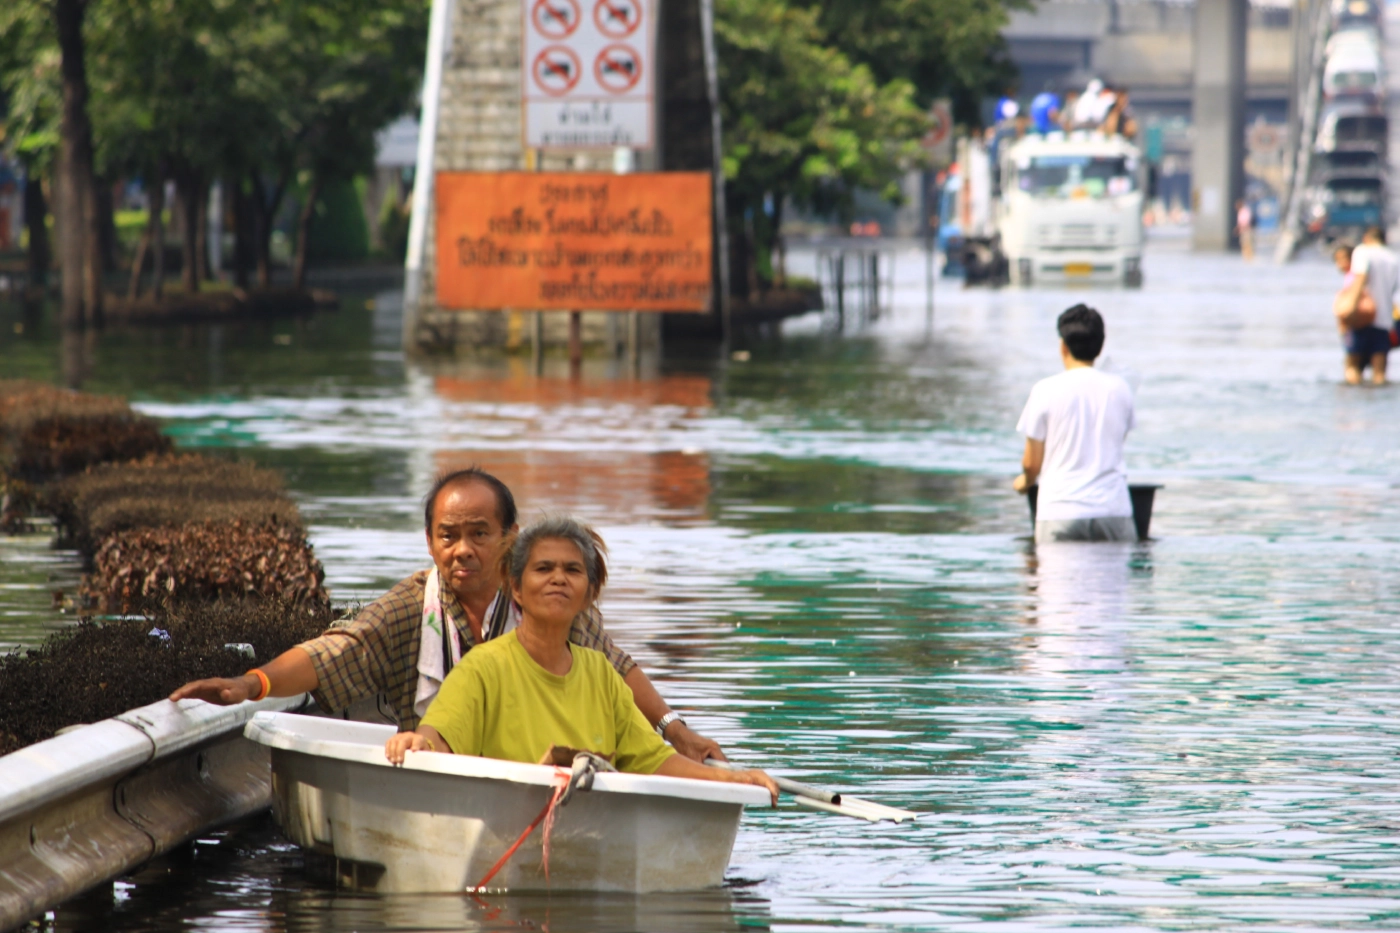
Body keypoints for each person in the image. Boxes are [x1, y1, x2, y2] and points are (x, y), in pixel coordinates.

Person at [171, 467, 725, 763]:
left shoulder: (551, 599)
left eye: (480, 534)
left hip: (534, 767)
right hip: (433, 764)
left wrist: (677, 730)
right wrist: (253, 683)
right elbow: (338, 650)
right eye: (448, 536)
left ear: (510, 539)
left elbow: (616, 669)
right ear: (431, 543)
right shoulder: (415, 606)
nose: (463, 550)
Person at [384, 516, 778, 804]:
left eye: (572, 570)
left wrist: (735, 779)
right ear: (517, 589)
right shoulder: (484, 667)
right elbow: (439, 738)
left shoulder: (601, 673)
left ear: (589, 594)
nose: (558, 578)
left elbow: (656, 762)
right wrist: (418, 741)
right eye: (543, 569)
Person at [1012, 304, 1137, 543]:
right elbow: (1114, 444)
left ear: (1063, 346)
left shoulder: (1044, 390)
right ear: (1100, 347)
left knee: (1056, 579)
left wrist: (1024, 482)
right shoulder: (1121, 389)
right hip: (1113, 511)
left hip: (1060, 512)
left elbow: (1031, 464)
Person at [1332, 242, 1389, 385]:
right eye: (1337, 260)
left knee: (1352, 365)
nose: (1340, 264)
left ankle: (1354, 399)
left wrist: (1344, 322)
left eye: (1343, 259)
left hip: (1359, 323)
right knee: (1379, 369)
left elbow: (1349, 305)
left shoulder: (1356, 276)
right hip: (1381, 321)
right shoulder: (1382, 267)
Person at [1347, 226, 1400, 351]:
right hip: (1386, 319)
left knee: (1353, 365)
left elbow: (1361, 279)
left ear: (1366, 238)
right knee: (1380, 366)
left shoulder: (1362, 251)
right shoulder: (1393, 257)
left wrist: (1350, 309)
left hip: (1362, 317)